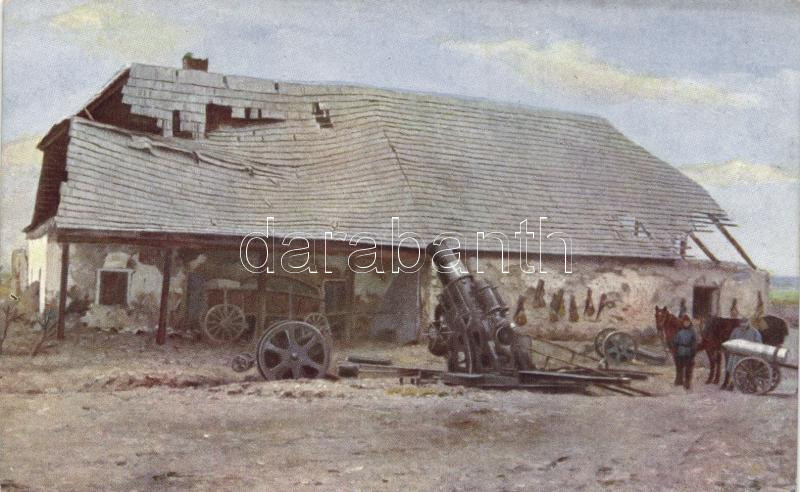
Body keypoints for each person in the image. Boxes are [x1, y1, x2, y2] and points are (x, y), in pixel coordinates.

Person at [721, 320, 763, 390]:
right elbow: (731, 340)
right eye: (742, 323)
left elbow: (759, 343)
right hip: (736, 353)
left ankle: (739, 383)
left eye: (745, 323)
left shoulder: (754, 332)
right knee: (732, 365)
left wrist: (751, 348)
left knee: (743, 368)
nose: (743, 325)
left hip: (748, 355)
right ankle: (731, 383)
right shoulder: (736, 331)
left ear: (748, 323)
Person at [672, 315, 697, 390]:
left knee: (688, 369)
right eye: (685, 322)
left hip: (689, 352)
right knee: (680, 367)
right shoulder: (679, 332)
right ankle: (679, 382)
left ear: (689, 323)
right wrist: (675, 351)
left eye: (688, 322)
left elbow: (695, 342)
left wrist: (693, 351)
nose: (686, 323)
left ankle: (687, 383)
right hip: (680, 351)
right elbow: (676, 342)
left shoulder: (692, 332)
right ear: (683, 323)